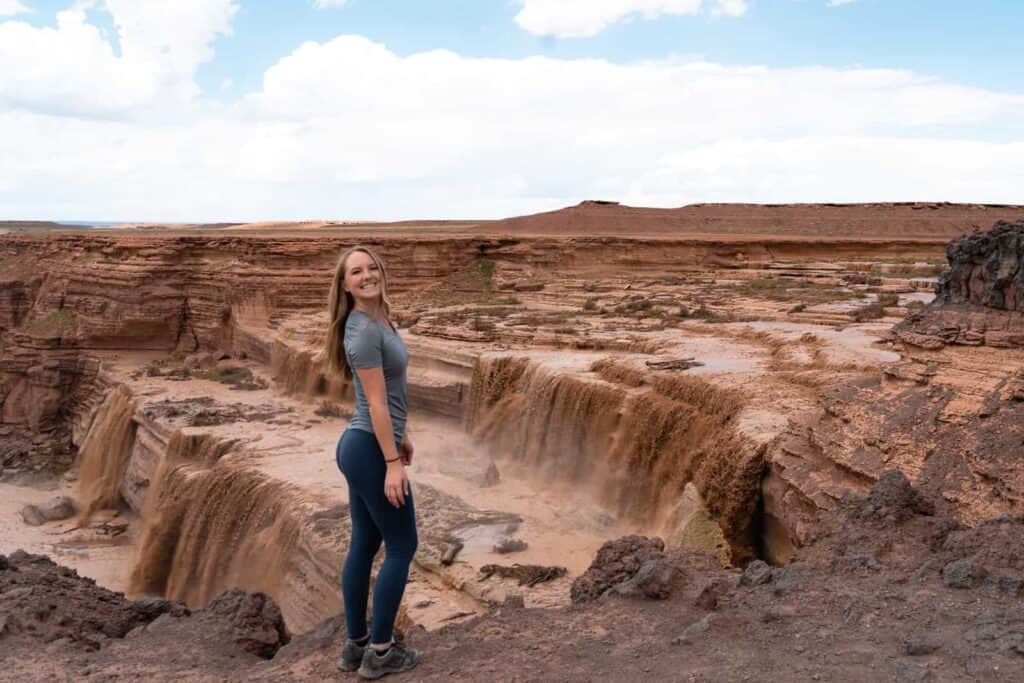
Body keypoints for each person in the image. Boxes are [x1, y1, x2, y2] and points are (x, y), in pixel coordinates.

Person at [325, 245, 420, 679]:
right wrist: (391, 463)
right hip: (367, 448)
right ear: (345, 285)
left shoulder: (380, 320)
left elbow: (383, 398)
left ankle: (355, 645)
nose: (366, 276)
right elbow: (377, 403)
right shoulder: (363, 330)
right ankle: (380, 652)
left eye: (371, 268)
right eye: (356, 272)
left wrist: (402, 438)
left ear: (381, 271)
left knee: (365, 543)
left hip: (364, 444)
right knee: (402, 546)